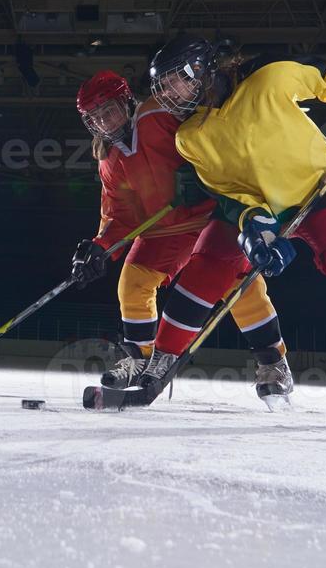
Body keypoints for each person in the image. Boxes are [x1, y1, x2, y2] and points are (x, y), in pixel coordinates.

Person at [146, 36, 326, 424]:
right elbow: (229, 194)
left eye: (174, 80)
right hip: (264, 206)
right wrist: (254, 225)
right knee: (205, 268)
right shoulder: (190, 138)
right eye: (161, 87)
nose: (168, 93)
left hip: (322, 186)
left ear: (202, 70)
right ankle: (163, 363)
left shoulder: (270, 78)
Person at [71, 70, 293, 409]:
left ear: (126, 101)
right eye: (96, 117)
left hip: (210, 215)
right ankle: (140, 358)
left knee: (236, 285)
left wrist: (201, 174)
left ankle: (273, 362)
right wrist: (101, 246)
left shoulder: (158, 115)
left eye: (109, 110)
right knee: (132, 281)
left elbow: (210, 134)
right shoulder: (109, 162)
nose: (105, 121)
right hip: (167, 230)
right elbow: (120, 216)